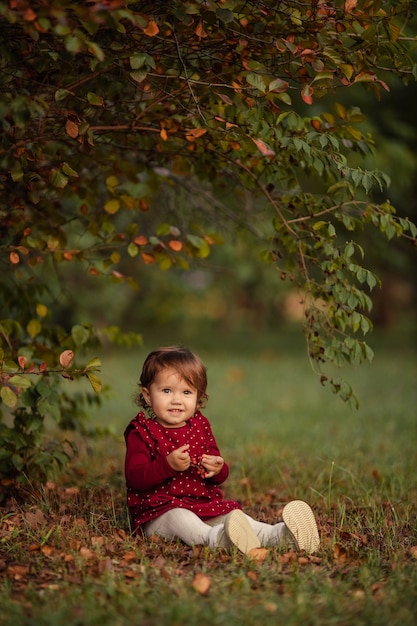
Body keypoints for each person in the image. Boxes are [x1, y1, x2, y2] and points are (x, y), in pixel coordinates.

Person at [124, 345, 320, 555]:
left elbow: (218, 474)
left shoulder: (200, 426)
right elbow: (135, 477)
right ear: (147, 395)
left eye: (186, 392)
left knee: (235, 517)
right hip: (158, 512)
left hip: (202, 505)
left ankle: (282, 535)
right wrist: (167, 465)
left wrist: (217, 469)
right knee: (181, 517)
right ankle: (218, 540)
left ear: (198, 399)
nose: (176, 400)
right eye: (166, 391)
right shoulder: (142, 431)